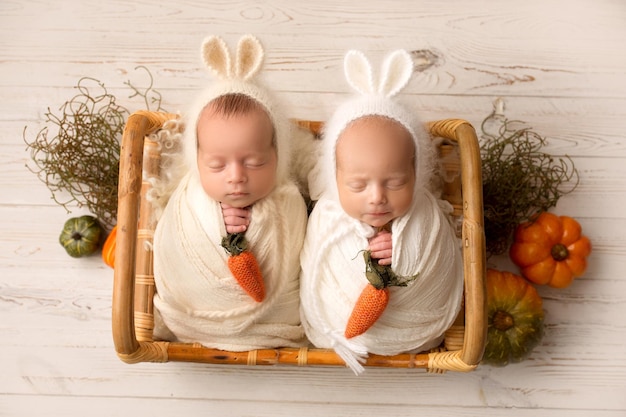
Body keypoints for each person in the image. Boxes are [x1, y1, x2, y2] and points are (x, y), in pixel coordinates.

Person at [299, 49, 464, 374]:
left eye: (396, 182)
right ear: (335, 178)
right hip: (337, 330)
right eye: (358, 185)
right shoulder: (328, 217)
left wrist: (404, 251)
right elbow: (316, 259)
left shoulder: (426, 216)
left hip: (417, 329)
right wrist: (363, 255)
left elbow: (439, 257)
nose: (377, 198)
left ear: (417, 176)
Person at [150, 35, 308, 350]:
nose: (236, 177)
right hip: (191, 316)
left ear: (278, 157)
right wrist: (214, 222)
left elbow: (303, 252)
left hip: (274, 323)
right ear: (196, 162)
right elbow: (173, 242)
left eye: (255, 162)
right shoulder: (190, 199)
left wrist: (260, 220)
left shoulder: (289, 199)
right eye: (217, 165)